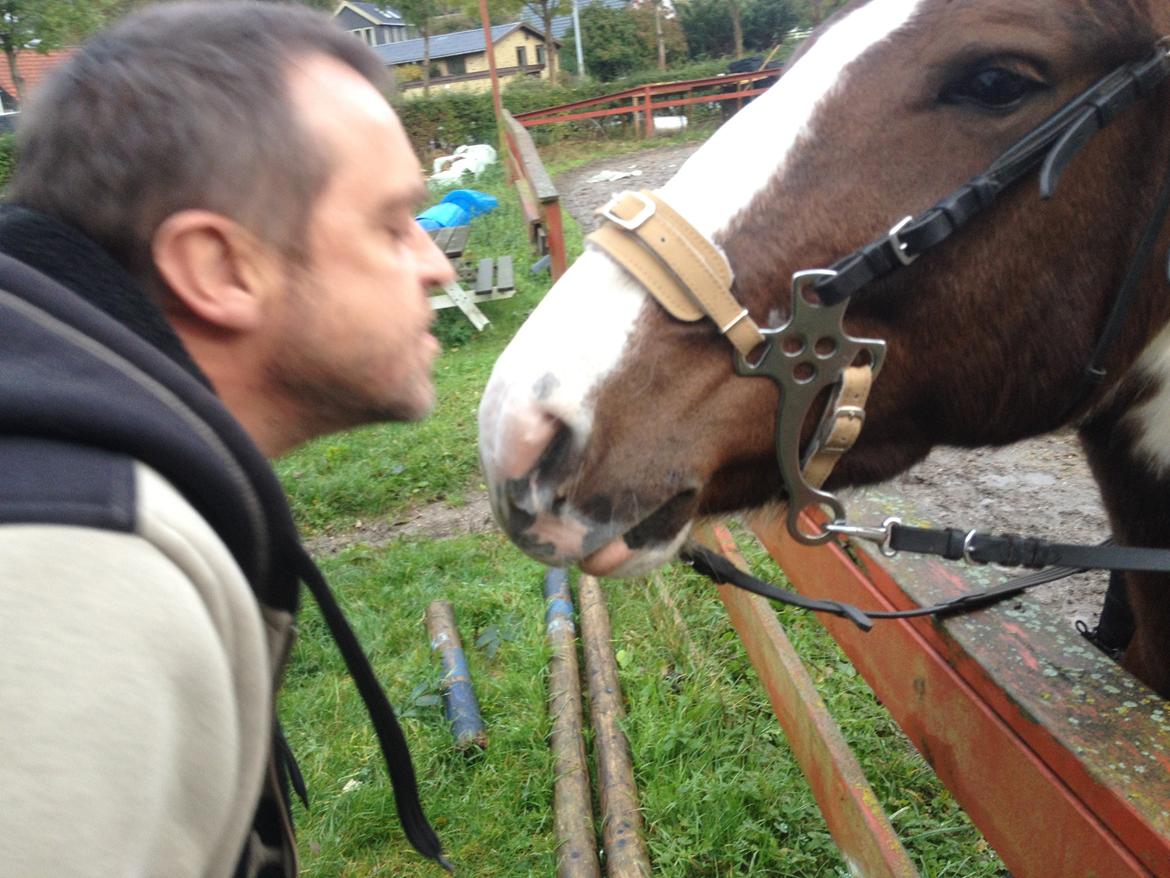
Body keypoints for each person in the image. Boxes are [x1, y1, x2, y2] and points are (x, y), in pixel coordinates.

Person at [0, 3, 455, 876]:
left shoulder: (81, 460)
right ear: (220, 268)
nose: (437, 263)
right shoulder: (76, 569)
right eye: (394, 224)